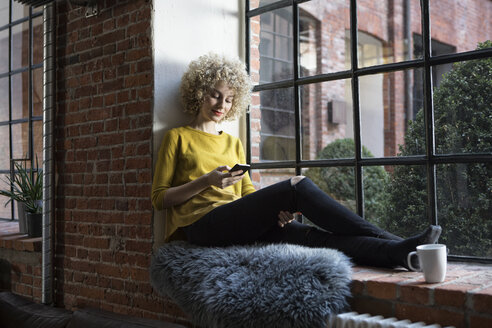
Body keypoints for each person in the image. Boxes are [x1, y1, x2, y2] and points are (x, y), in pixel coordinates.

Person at [151, 53, 441, 270]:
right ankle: (394, 238)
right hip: (202, 227)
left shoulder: (232, 142)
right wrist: (207, 181)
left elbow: (248, 193)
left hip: (237, 221)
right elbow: (159, 199)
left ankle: (398, 253)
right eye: (215, 95)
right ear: (199, 91)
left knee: (313, 237)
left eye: (228, 100)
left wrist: (273, 210)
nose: (221, 105)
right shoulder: (177, 137)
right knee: (296, 187)